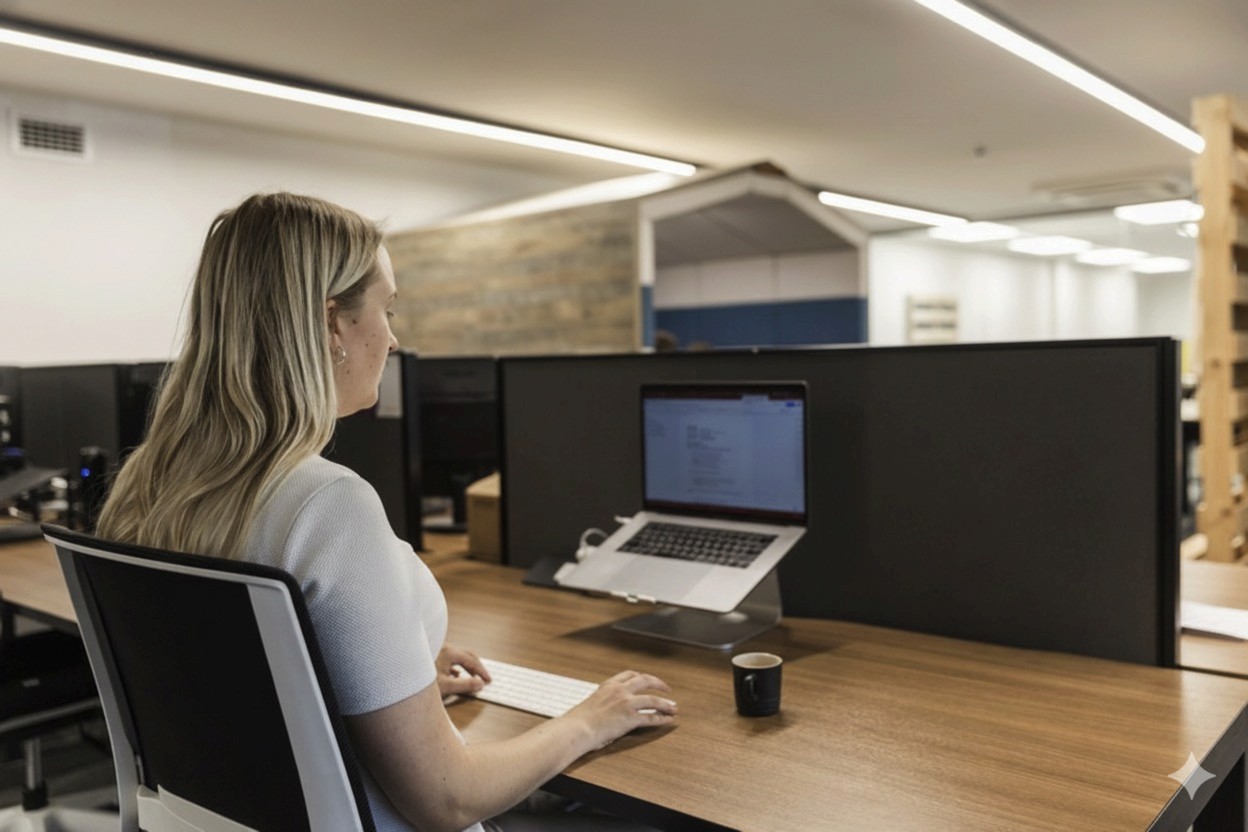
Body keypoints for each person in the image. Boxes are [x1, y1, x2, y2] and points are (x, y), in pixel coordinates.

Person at [97, 192, 677, 832]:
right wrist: (588, 719)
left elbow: (227, 677)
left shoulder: (145, 485)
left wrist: (383, 668)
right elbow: (446, 799)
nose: (394, 336)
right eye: (387, 308)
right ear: (329, 323)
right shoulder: (325, 503)